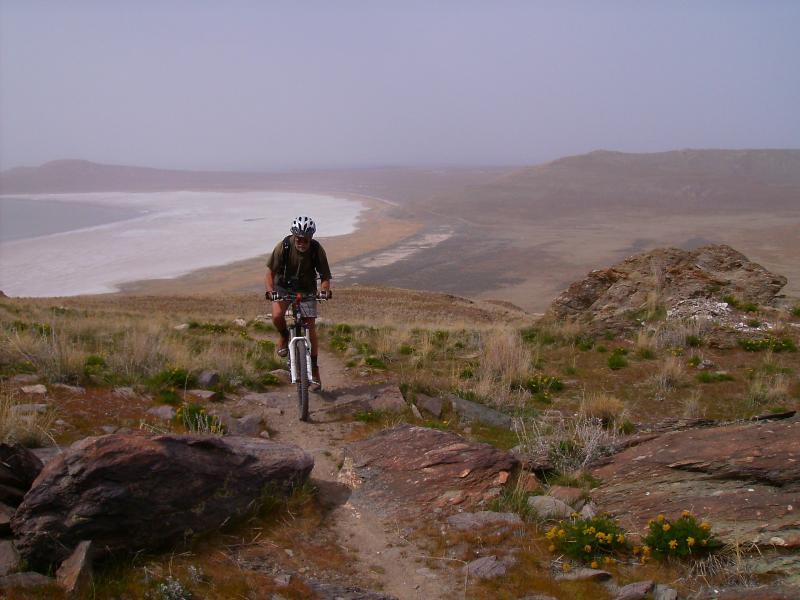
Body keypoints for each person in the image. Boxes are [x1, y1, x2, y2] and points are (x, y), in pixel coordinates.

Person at [265, 216, 332, 387]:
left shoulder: (316, 249)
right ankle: (284, 335)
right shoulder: (284, 246)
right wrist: (271, 292)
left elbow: (324, 275)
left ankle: (315, 369)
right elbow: (270, 273)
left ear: (311, 238)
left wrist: (324, 290)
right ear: (294, 236)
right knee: (277, 316)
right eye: (299, 239)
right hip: (283, 288)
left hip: (307, 289)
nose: (302, 242)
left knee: (310, 326)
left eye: (306, 240)